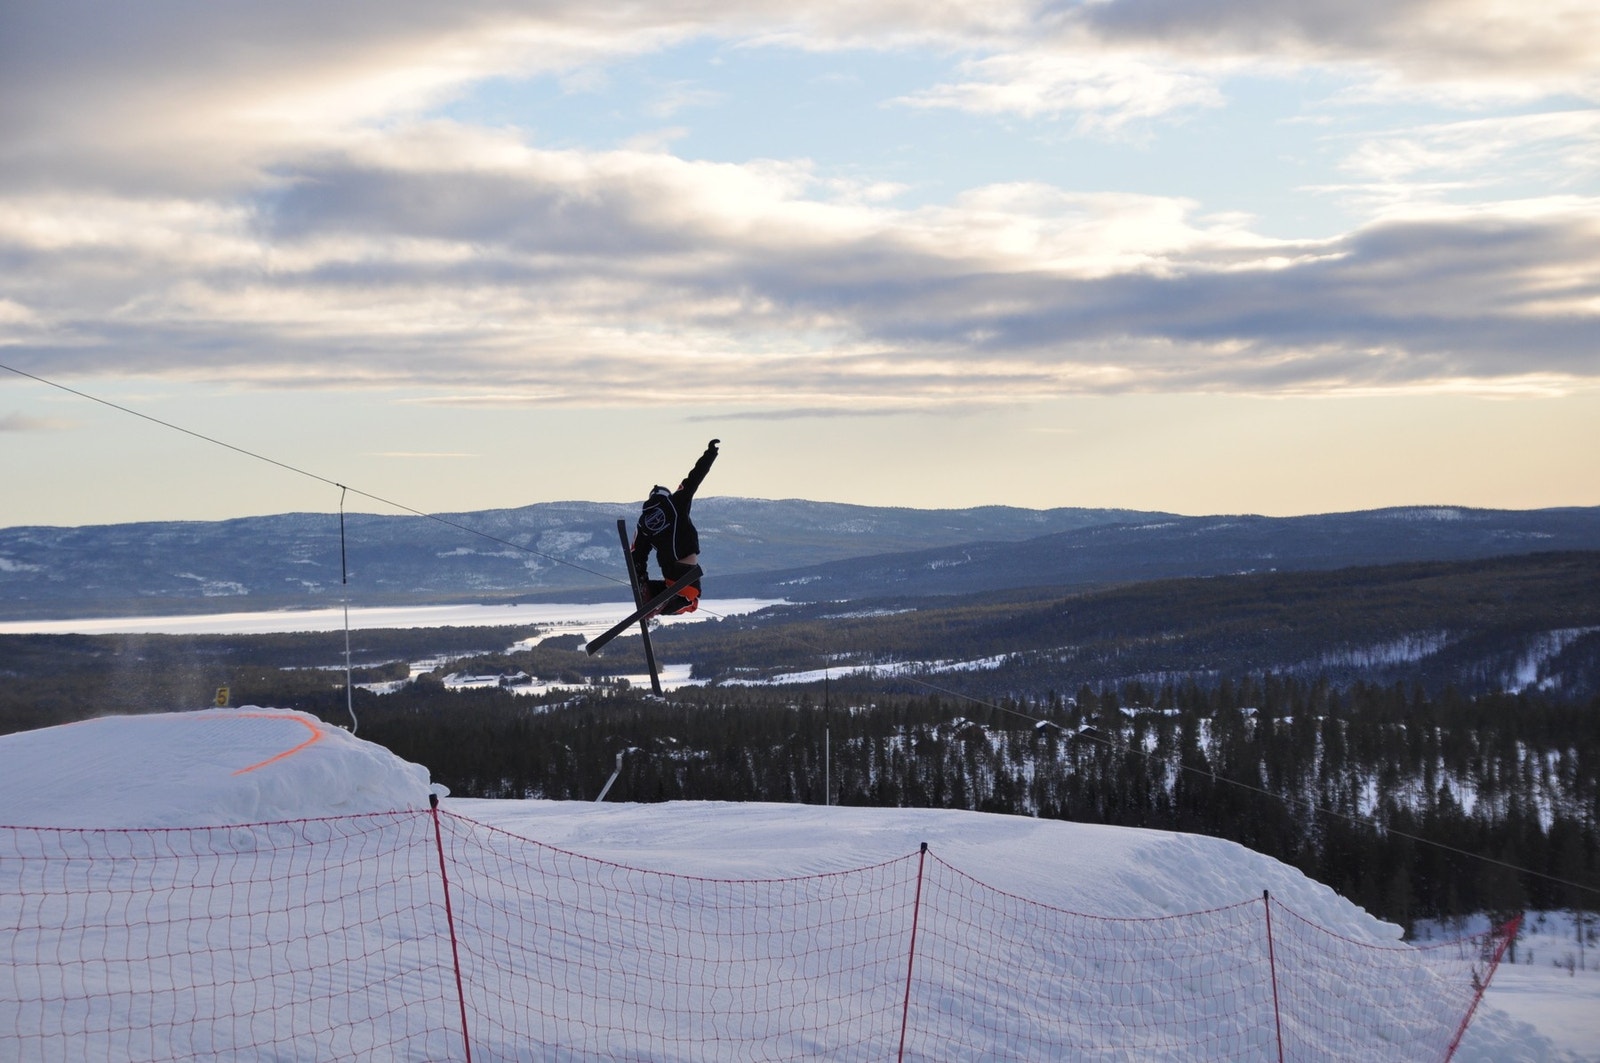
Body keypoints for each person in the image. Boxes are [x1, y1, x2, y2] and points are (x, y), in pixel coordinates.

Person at [630, 439, 720, 615]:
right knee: (692, 601)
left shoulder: (642, 523)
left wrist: (641, 580)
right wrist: (710, 454)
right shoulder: (675, 503)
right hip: (686, 571)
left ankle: (650, 595)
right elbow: (694, 478)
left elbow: (637, 555)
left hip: (670, 574)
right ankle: (663, 604)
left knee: (663, 589)